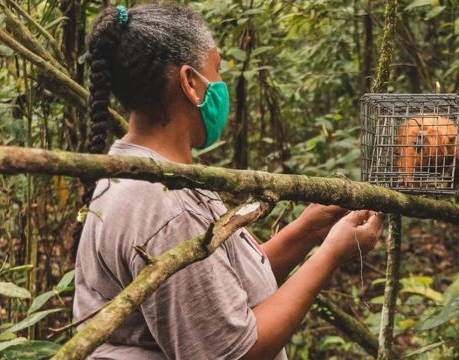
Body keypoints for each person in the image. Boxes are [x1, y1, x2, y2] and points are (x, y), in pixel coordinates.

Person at [73, 4, 384, 360]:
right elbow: (234, 352)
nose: (220, 84)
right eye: (215, 69)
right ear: (191, 83)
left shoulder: (151, 173)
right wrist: (330, 255)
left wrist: (309, 231)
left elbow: (218, 287)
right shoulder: (163, 204)